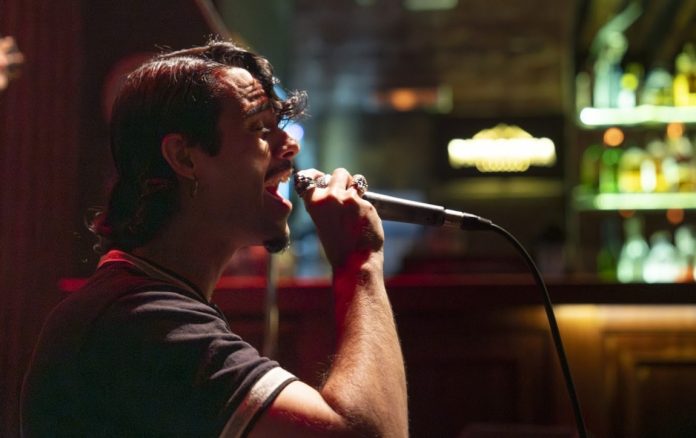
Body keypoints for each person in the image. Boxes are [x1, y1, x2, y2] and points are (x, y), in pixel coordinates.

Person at [20, 40, 408, 437]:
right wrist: (360, 261)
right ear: (184, 157)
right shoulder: (142, 322)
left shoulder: (143, 303)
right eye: (259, 128)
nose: (290, 146)